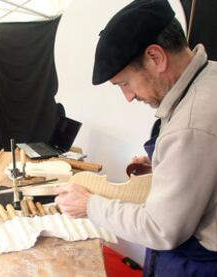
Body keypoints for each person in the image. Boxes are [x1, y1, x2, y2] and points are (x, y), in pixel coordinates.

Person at [54, 0, 217, 276]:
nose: (128, 97)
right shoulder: (208, 77)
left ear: (155, 57)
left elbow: (161, 228)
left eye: (125, 84)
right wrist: (164, 167)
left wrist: (89, 205)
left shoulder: (191, 124)